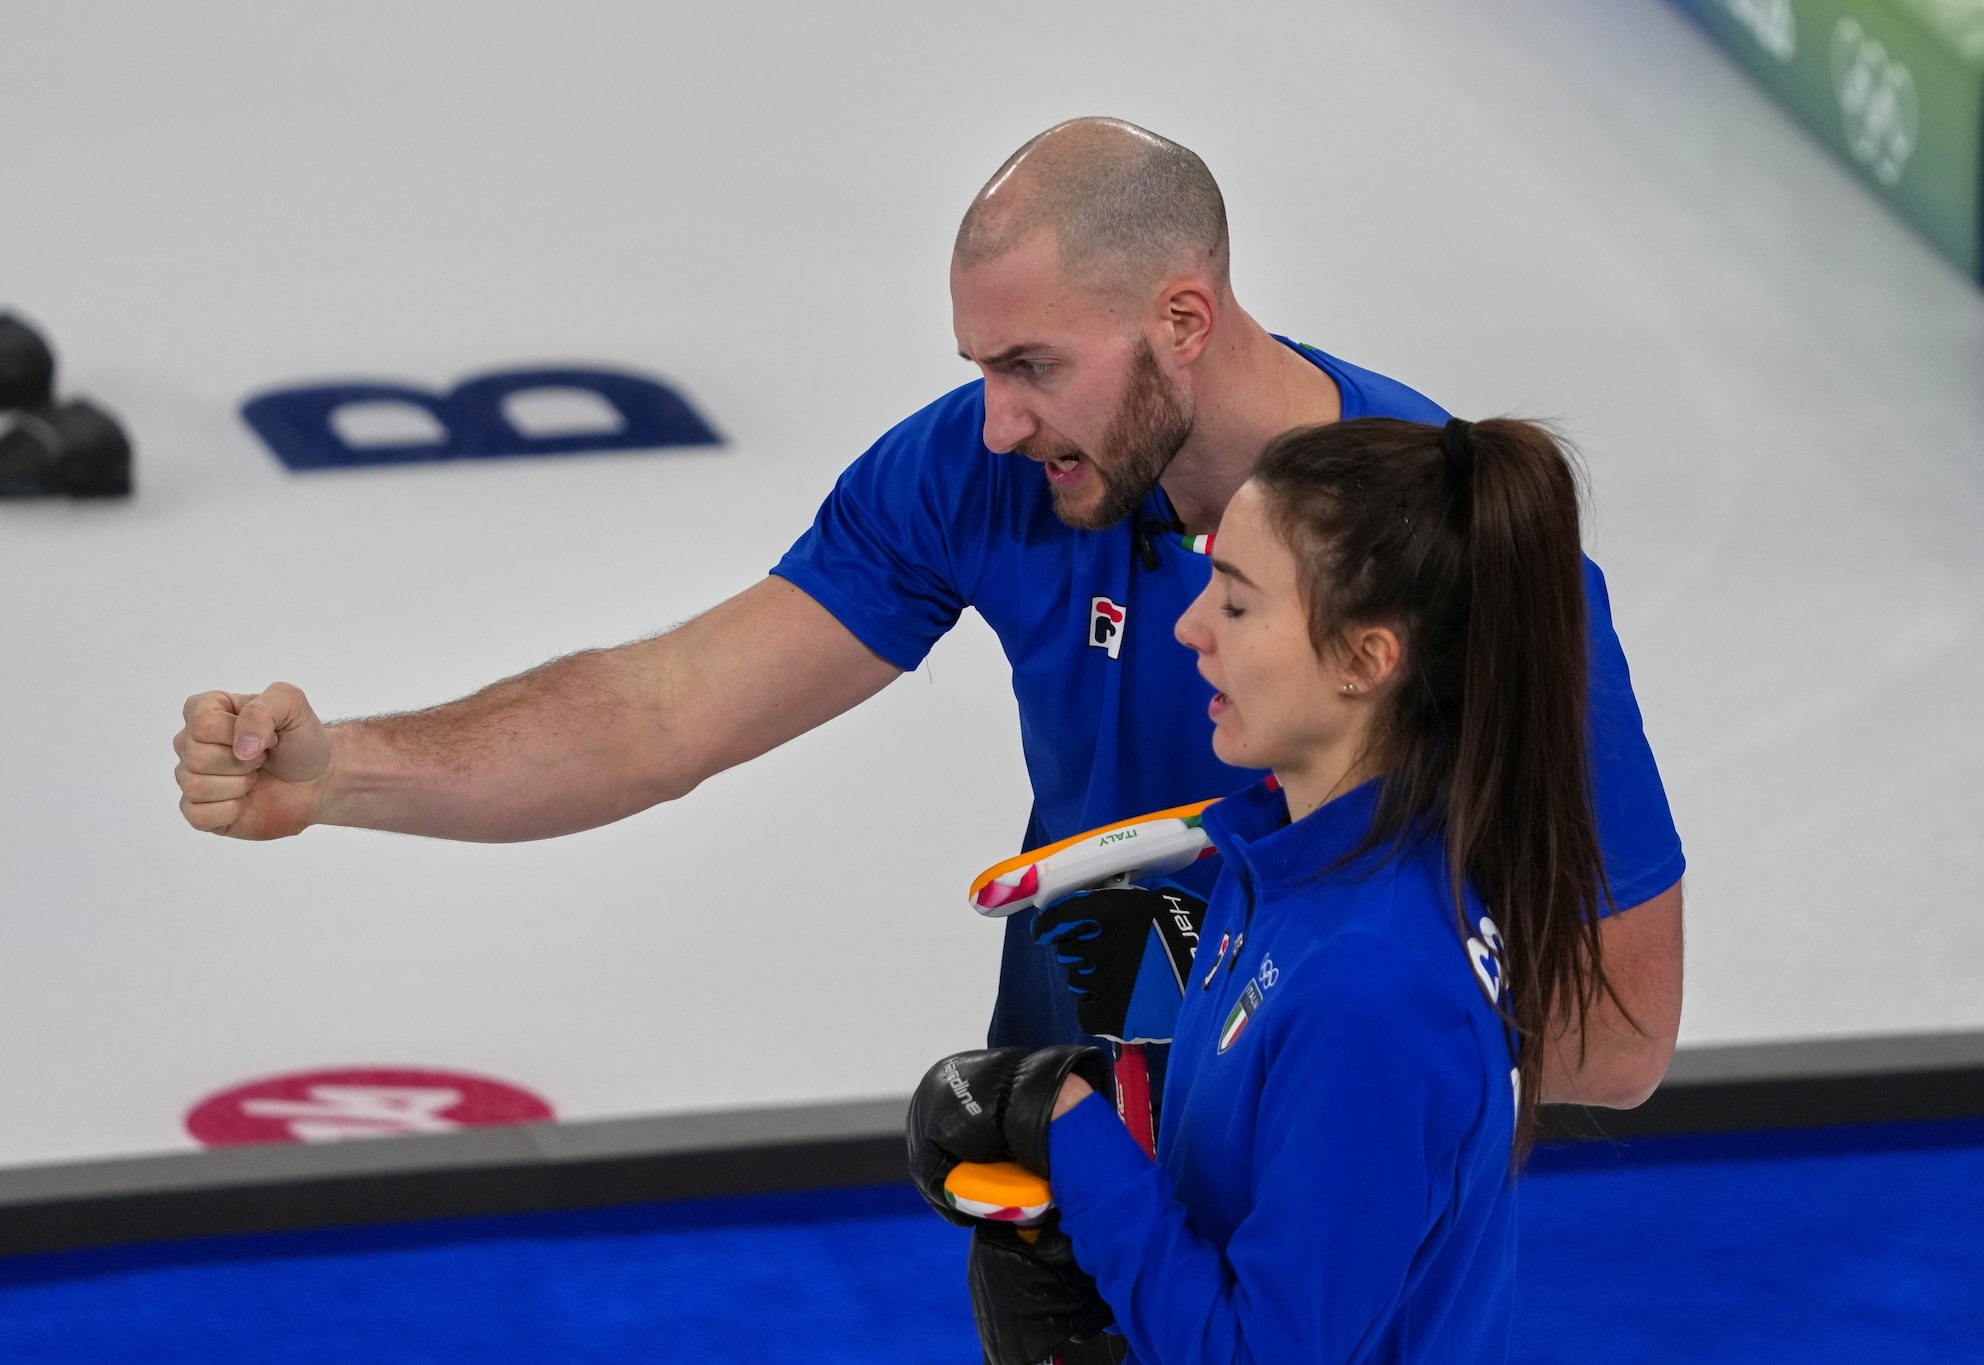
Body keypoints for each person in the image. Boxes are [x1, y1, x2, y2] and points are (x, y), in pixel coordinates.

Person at [171, 118, 1680, 1097]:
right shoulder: (984, 468)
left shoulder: (1457, 550)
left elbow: (1618, 1032)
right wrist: (345, 771)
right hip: (1066, 1162)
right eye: (981, 368)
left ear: (1182, 318)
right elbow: (661, 711)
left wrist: (1241, 1004)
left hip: (1318, 1207)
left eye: (1033, 366)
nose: (999, 421)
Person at [909, 415, 1620, 1363]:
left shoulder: (1374, 986)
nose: (1190, 627)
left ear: (1366, 658)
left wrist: (1071, 1130)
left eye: (1238, 604)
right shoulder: (1283, 863)